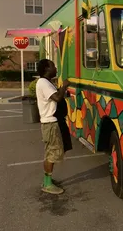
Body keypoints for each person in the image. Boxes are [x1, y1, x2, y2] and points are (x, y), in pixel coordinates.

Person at [36, 59, 70, 195]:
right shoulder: (43, 83)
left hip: (52, 122)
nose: (55, 68)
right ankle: (47, 184)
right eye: (53, 66)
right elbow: (57, 98)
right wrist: (64, 86)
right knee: (52, 153)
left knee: (52, 152)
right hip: (50, 123)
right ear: (46, 69)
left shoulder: (46, 82)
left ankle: (47, 180)